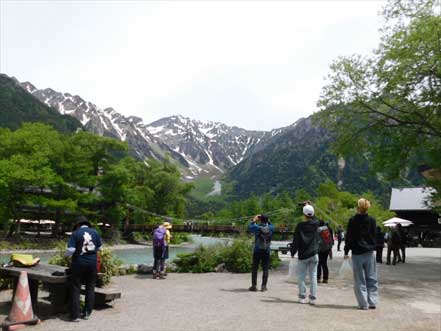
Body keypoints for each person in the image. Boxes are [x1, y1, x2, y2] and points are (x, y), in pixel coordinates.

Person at [66, 216, 102, 322]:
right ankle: (87, 313)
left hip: (79, 264)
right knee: (90, 288)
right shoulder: (95, 232)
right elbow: (99, 248)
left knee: (76, 288)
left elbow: (71, 249)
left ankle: (75, 315)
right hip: (92, 264)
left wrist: (66, 256)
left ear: (78, 225)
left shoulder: (76, 233)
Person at [344, 198, 379, 310]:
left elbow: (349, 237)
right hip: (369, 252)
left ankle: (364, 304)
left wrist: (346, 251)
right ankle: (372, 301)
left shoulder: (352, 220)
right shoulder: (372, 220)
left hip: (357, 253)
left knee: (360, 280)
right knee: (372, 277)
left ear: (358, 207)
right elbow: (375, 236)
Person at [290, 205, 319, 305]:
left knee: (302, 276)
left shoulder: (300, 225)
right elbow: (316, 219)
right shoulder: (316, 224)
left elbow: (296, 241)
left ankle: (302, 297)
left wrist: (293, 252)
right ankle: (313, 298)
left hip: (303, 255)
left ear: (304, 214)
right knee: (313, 276)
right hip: (314, 253)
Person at [248, 214, 274, 292]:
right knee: (265, 268)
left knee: (255, 268)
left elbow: (250, 227)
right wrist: (268, 220)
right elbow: (271, 225)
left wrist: (254, 220)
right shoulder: (271, 228)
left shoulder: (257, 228)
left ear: (260, 220)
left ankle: (254, 286)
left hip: (257, 250)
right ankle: (263, 286)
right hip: (266, 250)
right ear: (267, 220)